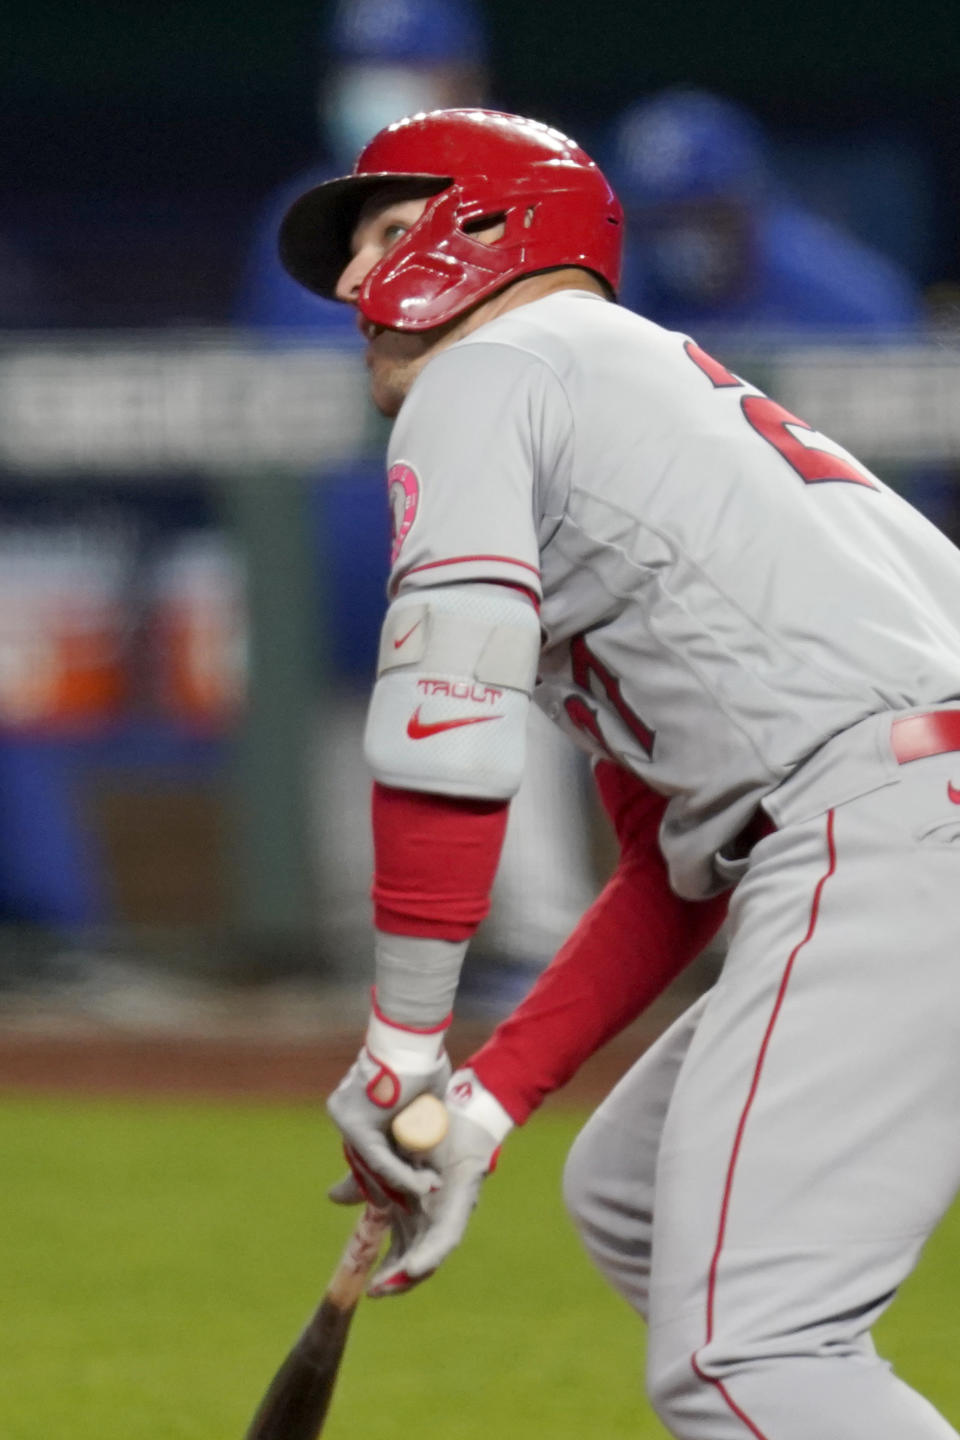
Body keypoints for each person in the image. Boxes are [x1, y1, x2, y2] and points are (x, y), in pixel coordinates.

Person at [278, 108, 960, 1438]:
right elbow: (674, 872)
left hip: (897, 820)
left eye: (387, 233)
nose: (357, 283)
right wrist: (476, 1107)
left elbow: (445, 723)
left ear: (490, 227)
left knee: (746, 1359)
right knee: (633, 1194)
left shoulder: (493, 370)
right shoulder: (622, 393)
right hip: (899, 814)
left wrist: (400, 1048)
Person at [239, 0, 598, 978]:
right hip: (340, 629)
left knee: (533, 921)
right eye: (357, 65)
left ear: (461, 79)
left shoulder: (530, 213)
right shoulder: (301, 227)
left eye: (394, 66)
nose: (369, 86)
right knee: (368, 944)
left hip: (496, 607)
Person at [608, 86, 921, 334]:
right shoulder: (616, 290)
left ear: (746, 201)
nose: (678, 234)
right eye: (657, 218)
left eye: (700, 214)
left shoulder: (844, 296)